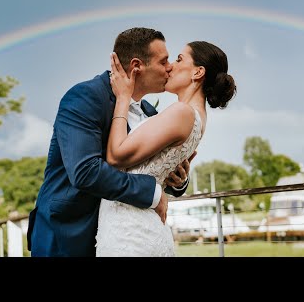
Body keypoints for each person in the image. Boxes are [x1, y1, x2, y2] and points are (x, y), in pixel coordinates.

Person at [27, 27, 194, 257]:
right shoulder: (84, 97)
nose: (170, 67)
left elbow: (149, 170)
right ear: (137, 66)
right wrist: (152, 194)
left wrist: (177, 181)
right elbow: (85, 171)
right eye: (163, 61)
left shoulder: (150, 112)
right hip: (69, 234)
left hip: (122, 236)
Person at [95, 40, 237, 257]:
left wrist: (123, 97)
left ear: (198, 72)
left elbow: (116, 156)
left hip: (131, 234)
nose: (171, 66)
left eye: (179, 59)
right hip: (138, 227)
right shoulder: (196, 117)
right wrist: (179, 181)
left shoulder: (182, 112)